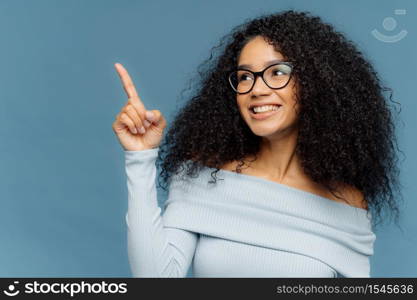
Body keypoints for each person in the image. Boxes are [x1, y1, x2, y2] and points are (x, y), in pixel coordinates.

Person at [112, 10, 401, 277]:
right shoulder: (202, 176)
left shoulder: (346, 202)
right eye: (245, 77)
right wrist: (141, 158)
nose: (257, 89)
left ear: (315, 82)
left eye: (277, 72)